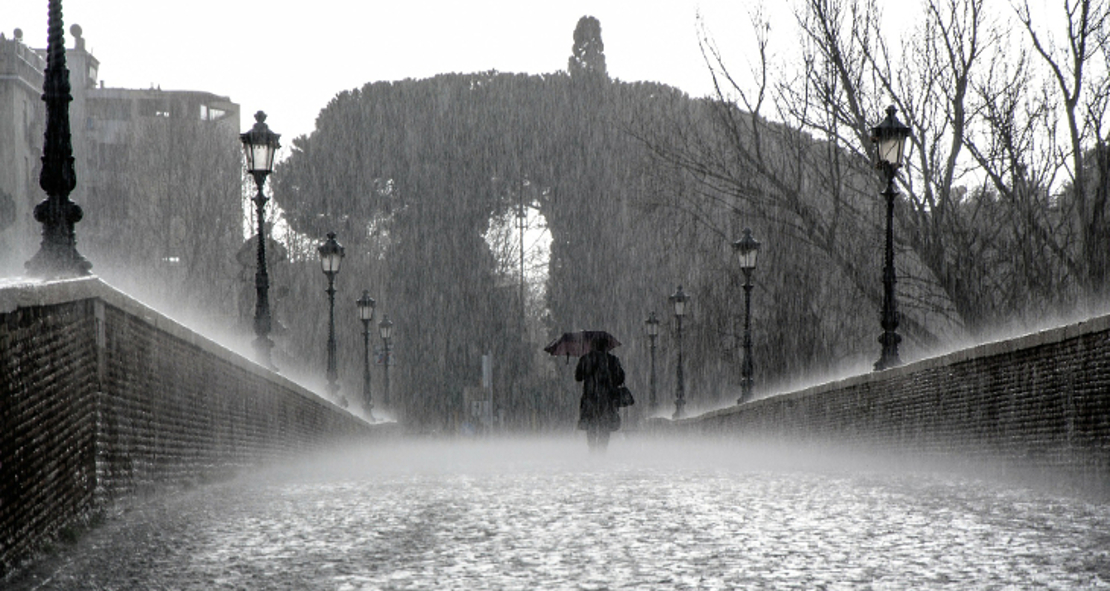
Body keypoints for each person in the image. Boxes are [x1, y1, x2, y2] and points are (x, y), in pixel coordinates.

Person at [575, 335, 625, 452]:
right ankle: (602, 450)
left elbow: (578, 377)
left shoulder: (586, 359)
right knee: (605, 426)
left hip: (590, 398)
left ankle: (592, 449)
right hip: (607, 398)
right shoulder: (612, 360)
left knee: (591, 425)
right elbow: (620, 379)